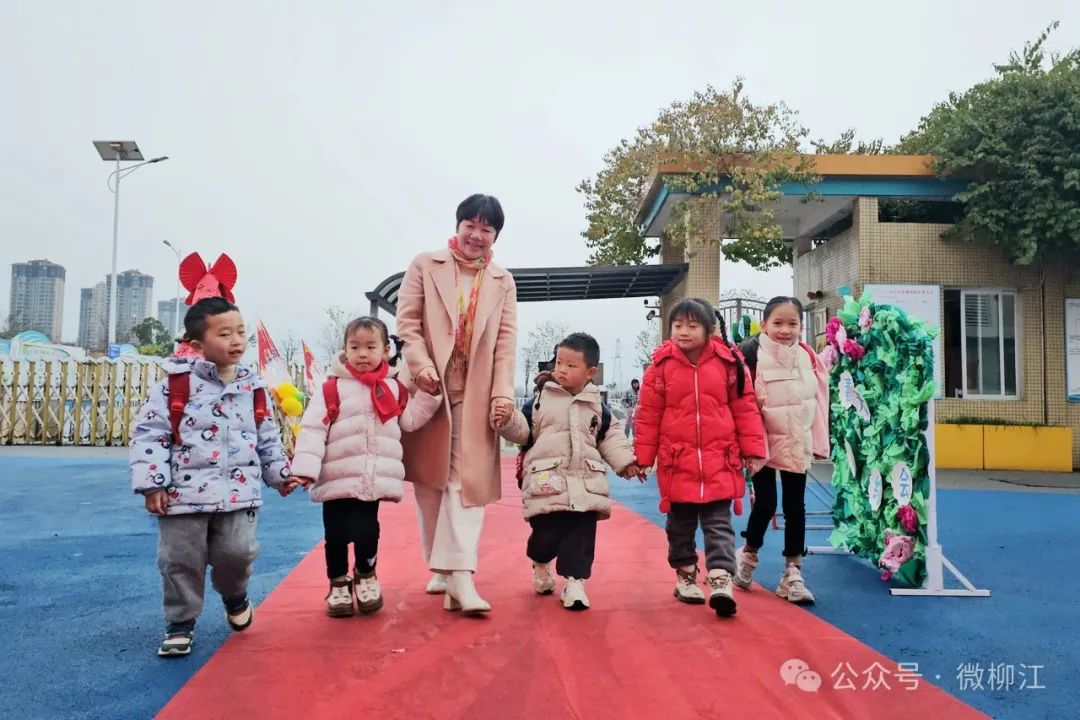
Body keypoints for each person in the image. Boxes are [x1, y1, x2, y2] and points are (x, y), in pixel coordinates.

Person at [129, 297, 296, 657]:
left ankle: (235, 594)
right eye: (224, 334)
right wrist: (153, 483)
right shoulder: (174, 385)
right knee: (179, 561)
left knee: (238, 553)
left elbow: (266, 436)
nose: (236, 341)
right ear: (197, 344)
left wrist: (280, 474)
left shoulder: (253, 387)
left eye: (241, 332)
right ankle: (181, 622)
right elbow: (150, 435)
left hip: (239, 494)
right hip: (183, 497)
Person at [396, 193, 517, 614]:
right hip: (429, 389)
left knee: (466, 484)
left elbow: (506, 343)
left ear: (495, 235)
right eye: (471, 225)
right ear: (458, 225)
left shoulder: (502, 281)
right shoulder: (424, 265)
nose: (477, 235)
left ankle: (461, 574)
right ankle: (442, 567)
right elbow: (408, 324)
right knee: (429, 482)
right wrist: (420, 365)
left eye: (487, 228)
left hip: (475, 391)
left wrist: (502, 391)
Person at [291, 317, 442, 617]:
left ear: (385, 351)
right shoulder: (332, 388)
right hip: (336, 478)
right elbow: (313, 429)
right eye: (355, 347)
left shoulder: (394, 389)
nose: (362, 354)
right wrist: (306, 468)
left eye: (370, 347)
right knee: (335, 535)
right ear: (345, 350)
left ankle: (365, 574)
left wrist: (430, 395)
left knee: (367, 531)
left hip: (371, 479)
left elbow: (410, 421)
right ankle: (338, 583)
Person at [633, 298, 767, 617]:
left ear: (709, 330)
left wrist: (753, 451)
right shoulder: (660, 366)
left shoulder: (729, 362)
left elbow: (745, 408)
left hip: (720, 459)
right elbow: (648, 415)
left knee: (718, 524)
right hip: (677, 462)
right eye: (678, 325)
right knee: (679, 526)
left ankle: (721, 578)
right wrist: (643, 457)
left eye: (692, 326)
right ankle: (686, 574)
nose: (684, 331)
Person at [493, 333, 641, 610]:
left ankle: (575, 581)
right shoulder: (540, 399)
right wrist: (508, 420)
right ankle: (539, 560)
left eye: (571, 365)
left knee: (581, 532)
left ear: (590, 372)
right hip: (548, 481)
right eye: (559, 362)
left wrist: (626, 462)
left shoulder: (597, 406)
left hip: (585, 482)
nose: (562, 369)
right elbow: (523, 432)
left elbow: (610, 436)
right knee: (546, 534)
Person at [735, 297, 829, 604]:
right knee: (765, 503)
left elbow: (817, 401)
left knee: (795, 507)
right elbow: (742, 402)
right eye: (778, 323)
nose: (785, 330)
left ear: (801, 326)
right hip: (761, 442)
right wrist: (745, 444)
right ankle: (748, 556)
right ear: (764, 325)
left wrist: (818, 440)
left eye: (792, 323)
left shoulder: (807, 356)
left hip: (796, 440)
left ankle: (793, 572)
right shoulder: (751, 356)